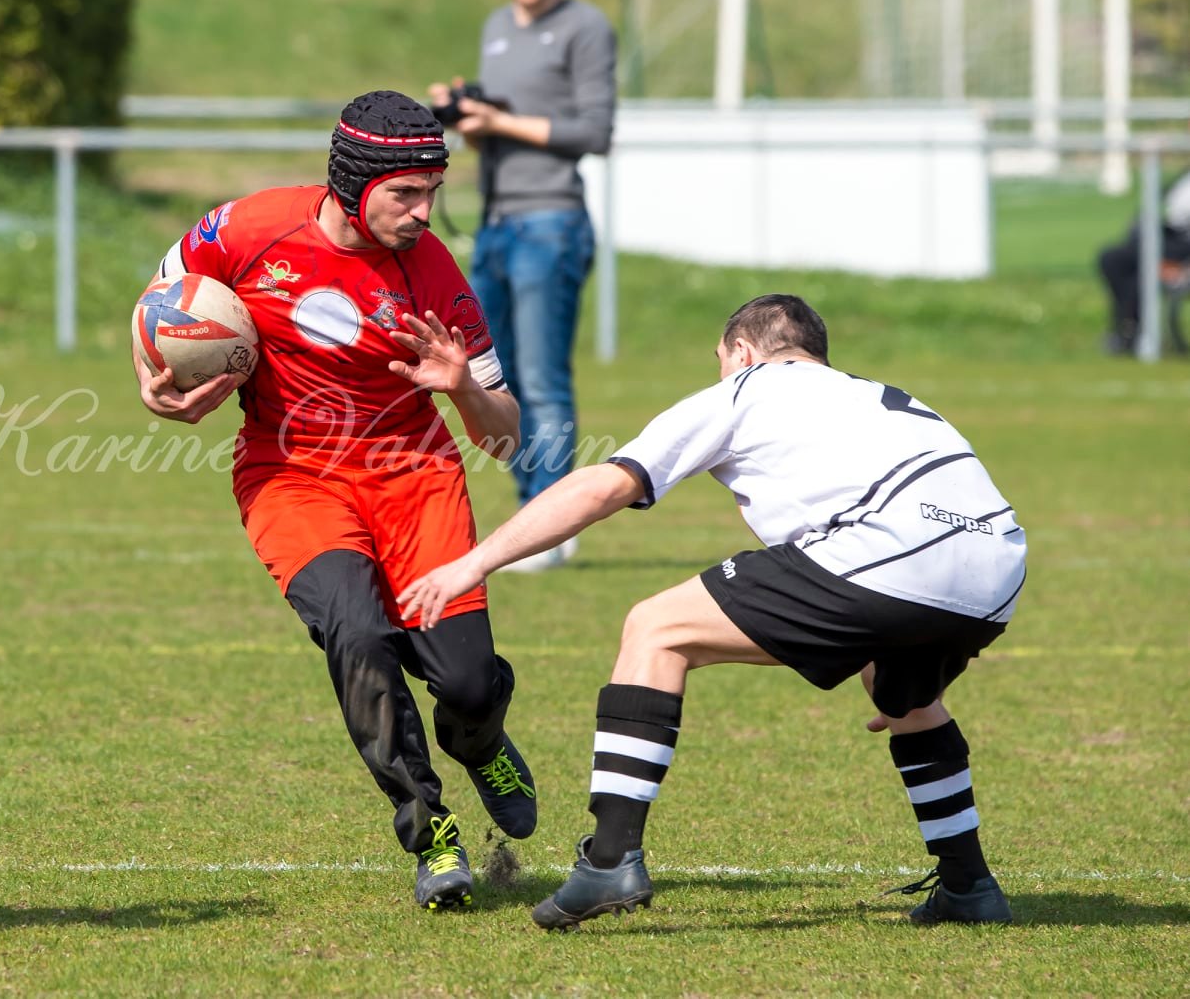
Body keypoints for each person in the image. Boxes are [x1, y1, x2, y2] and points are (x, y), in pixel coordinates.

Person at [402, 294, 1026, 929]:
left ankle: (611, 859)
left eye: (721, 363)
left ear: (743, 353)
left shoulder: (746, 389)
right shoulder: (881, 396)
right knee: (905, 700)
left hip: (892, 554)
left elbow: (604, 486)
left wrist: (475, 562)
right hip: (997, 567)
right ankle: (968, 884)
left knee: (656, 628)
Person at [134, 90, 534, 911]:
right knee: (356, 632)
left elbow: (506, 438)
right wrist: (157, 385)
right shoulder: (245, 229)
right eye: (407, 194)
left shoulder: (437, 279)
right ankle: (429, 829)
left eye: (433, 192)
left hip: (416, 479)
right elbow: (164, 298)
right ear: (353, 184)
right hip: (291, 477)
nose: (425, 212)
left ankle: (478, 734)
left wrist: (462, 388)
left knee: (462, 680)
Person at [429, 0, 616, 573]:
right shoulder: (496, 28)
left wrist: (498, 122)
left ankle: (553, 525)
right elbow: (503, 122)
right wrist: (468, 119)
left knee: (541, 376)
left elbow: (594, 133)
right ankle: (532, 514)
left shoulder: (585, 27)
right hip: (498, 225)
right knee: (493, 375)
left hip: (552, 221)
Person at [1096, 161, 1190, 354]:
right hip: (1171, 240)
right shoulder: (1185, 174)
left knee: (1146, 267)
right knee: (1113, 259)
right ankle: (1127, 326)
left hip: (1184, 251)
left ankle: (1130, 333)